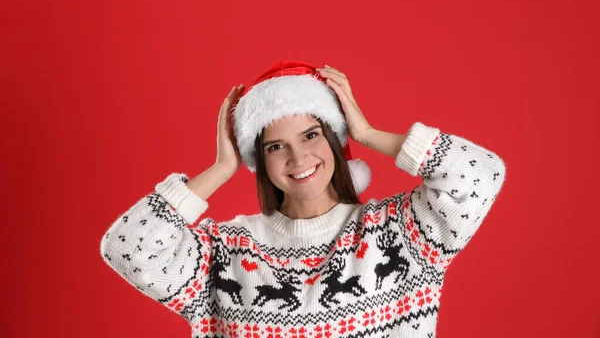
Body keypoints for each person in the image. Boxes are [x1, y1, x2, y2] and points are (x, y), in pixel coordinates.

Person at [100, 61, 507, 337]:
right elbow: (126, 247)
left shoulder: (401, 236)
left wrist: (365, 134)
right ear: (259, 160)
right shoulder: (225, 254)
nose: (298, 159)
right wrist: (222, 168)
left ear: (334, 138)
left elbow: (482, 174)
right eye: (276, 147)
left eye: (311, 135)